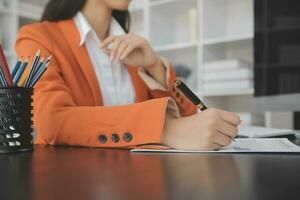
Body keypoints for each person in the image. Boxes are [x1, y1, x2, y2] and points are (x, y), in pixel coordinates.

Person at [15, 0, 240, 150]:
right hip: (68, 182)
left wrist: (154, 68)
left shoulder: (135, 48)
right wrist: (164, 129)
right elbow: (52, 122)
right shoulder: (36, 38)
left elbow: (193, 123)